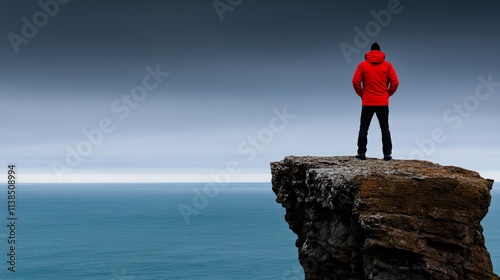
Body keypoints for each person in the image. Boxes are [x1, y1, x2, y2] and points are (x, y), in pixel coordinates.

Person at [352, 42, 399, 160]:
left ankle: (361, 153)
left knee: (364, 128)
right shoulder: (388, 66)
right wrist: (388, 94)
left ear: (369, 52)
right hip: (383, 102)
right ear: (381, 52)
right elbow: (395, 82)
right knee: (385, 128)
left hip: (367, 102)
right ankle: (387, 154)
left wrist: (362, 94)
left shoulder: (362, 66)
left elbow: (355, 82)